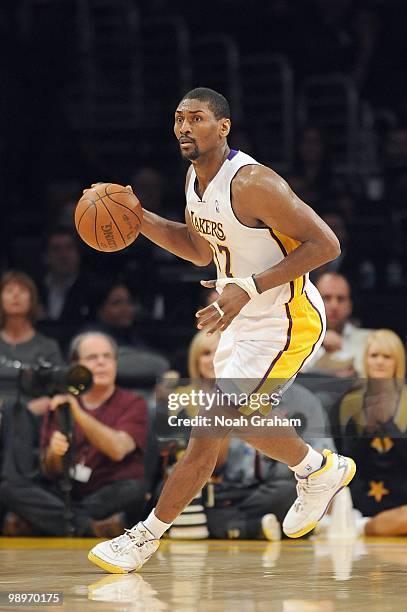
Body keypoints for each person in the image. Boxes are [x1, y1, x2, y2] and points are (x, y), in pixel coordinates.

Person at [87, 87, 356, 573]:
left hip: (286, 319)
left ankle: (144, 538)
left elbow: (327, 244)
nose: (184, 128)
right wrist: (139, 218)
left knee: (213, 422)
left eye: (196, 119)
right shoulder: (194, 179)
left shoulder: (254, 182)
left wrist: (247, 287)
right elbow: (197, 248)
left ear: (223, 127)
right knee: (214, 430)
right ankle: (318, 469)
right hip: (242, 317)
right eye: (178, 119)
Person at [0, 332, 148, 537]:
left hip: (106, 491)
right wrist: (55, 452)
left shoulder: (134, 402)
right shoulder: (59, 404)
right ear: (75, 365)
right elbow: (50, 470)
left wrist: (77, 412)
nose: (101, 363)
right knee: (10, 489)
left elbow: (118, 449)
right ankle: (90, 528)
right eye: (92, 358)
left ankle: (44, 523)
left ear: (115, 362)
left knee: (134, 491)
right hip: (64, 492)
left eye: (107, 356)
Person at [337, 329, 407, 537]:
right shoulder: (350, 401)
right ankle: (361, 525)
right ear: (365, 359)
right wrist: (368, 427)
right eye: (374, 355)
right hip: (362, 496)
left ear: (398, 361)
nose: (380, 362)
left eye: (387, 356)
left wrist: (388, 425)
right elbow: (347, 460)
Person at [302, 272, 372, 377]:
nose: (334, 306)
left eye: (341, 299)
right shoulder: (296, 339)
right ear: (311, 302)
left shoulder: (369, 341)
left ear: (350, 306)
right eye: (326, 298)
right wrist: (320, 339)